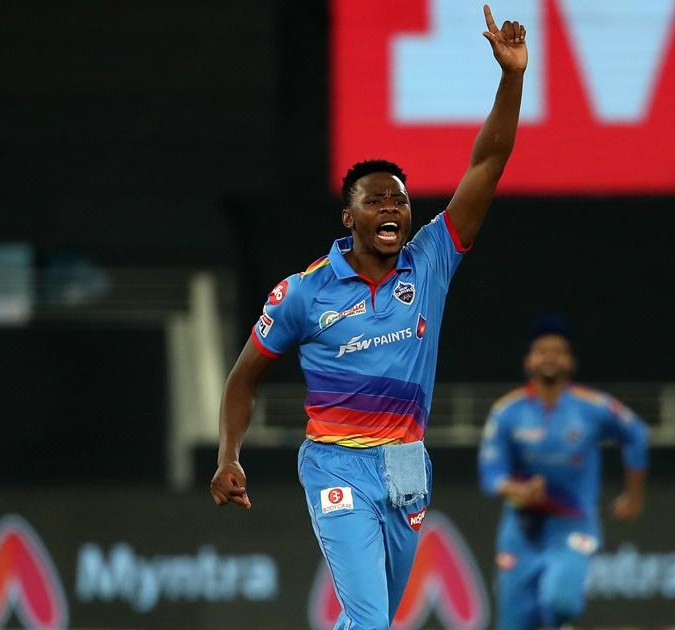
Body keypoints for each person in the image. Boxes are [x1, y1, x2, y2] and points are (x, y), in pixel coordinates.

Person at [209, 5, 528, 629]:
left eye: (399, 200)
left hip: (406, 462)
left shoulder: (430, 262)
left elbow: (486, 165)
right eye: (375, 200)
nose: (390, 208)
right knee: (371, 621)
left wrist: (511, 77)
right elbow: (244, 377)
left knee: (372, 619)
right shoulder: (305, 293)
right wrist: (228, 456)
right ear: (348, 217)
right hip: (335, 462)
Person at [479, 318, 649, 630]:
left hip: (573, 523)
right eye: (542, 351)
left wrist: (634, 496)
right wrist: (517, 491)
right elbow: (491, 473)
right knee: (514, 622)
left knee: (561, 602)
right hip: (521, 529)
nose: (550, 357)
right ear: (528, 361)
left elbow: (636, 434)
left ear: (571, 362)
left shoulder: (592, 406)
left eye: (558, 352)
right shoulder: (507, 412)